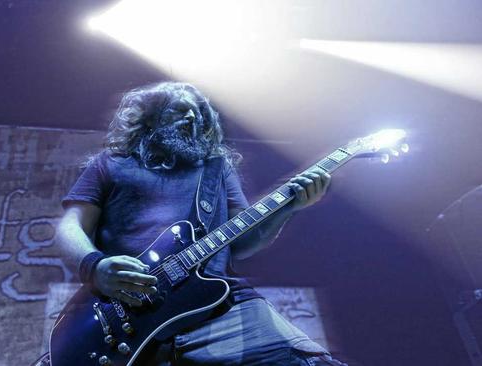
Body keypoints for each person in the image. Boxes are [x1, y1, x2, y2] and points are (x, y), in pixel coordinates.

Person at [56, 82, 346, 365]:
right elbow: (71, 226)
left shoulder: (216, 169)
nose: (192, 117)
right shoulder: (112, 163)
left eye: (199, 112)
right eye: (179, 110)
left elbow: (244, 241)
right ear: (151, 116)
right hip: (126, 310)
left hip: (218, 309)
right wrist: (95, 266)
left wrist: (290, 206)